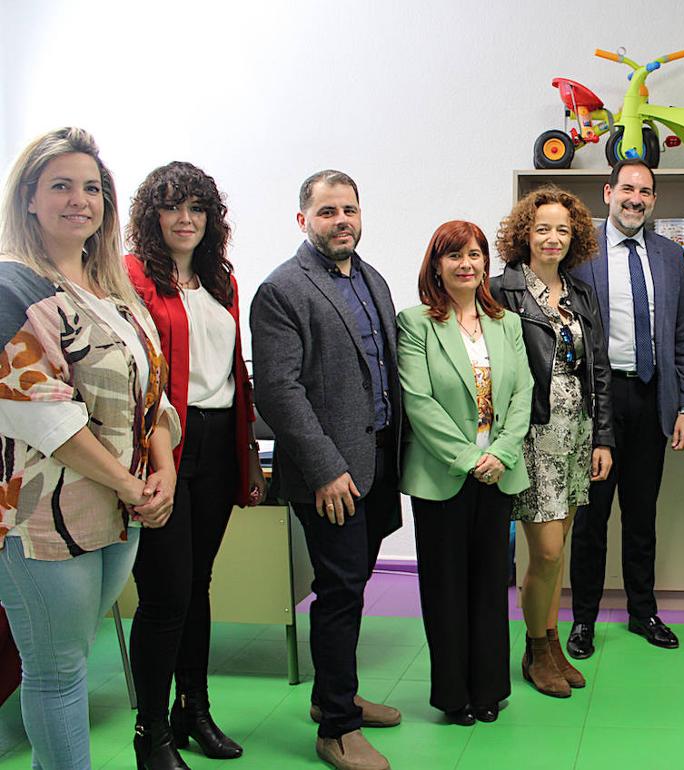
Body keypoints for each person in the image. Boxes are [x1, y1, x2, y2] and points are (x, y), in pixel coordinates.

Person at [0, 127, 179, 769]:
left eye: (92, 188)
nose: (80, 200)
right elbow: (40, 412)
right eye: (61, 186)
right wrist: (131, 484)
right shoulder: (13, 287)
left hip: (121, 509)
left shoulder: (114, 294)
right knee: (57, 672)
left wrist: (164, 471)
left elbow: (153, 395)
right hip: (43, 516)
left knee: (71, 657)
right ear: (28, 198)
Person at [250, 170, 402, 770]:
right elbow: (278, 392)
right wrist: (324, 469)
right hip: (330, 476)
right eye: (328, 211)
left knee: (352, 586)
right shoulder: (282, 289)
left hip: (378, 462)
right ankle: (337, 729)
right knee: (339, 591)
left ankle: (331, 695)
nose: (342, 221)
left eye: (350, 210)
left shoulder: (372, 279)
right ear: (303, 220)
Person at [124, 161, 265, 765]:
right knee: (164, 595)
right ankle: (151, 731)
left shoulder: (220, 280)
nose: (186, 219)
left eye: (197, 208)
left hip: (218, 440)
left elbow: (234, 373)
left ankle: (193, 711)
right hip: (164, 447)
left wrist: (248, 454)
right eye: (173, 206)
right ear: (151, 215)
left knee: (197, 584)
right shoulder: (130, 277)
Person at [396, 221, 533, 726]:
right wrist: (469, 458)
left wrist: (502, 452)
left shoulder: (507, 323)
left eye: (474, 254)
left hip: (499, 473)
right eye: (454, 255)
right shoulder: (415, 323)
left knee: (491, 585)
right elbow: (418, 401)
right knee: (446, 588)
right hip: (443, 475)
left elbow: (522, 393)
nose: (466, 264)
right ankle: (454, 696)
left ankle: (489, 690)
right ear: (437, 265)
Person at [567, 159, 684, 659]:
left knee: (642, 516)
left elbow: (682, 337)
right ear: (608, 192)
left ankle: (643, 612)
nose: (635, 199)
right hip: (597, 402)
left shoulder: (669, 255)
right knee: (592, 518)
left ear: (654, 200)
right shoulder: (581, 253)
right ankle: (583, 620)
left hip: (651, 397)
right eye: (627, 188)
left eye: (644, 192)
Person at [492, 186, 613, 698]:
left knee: (558, 549)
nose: (553, 238)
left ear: (575, 236)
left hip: (576, 432)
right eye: (543, 228)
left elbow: (599, 368)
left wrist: (603, 438)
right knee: (543, 551)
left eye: (563, 229)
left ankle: (551, 643)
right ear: (525, 233)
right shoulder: (502, 291)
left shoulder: (580, 293)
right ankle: (535, 648)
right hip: (532, 434)